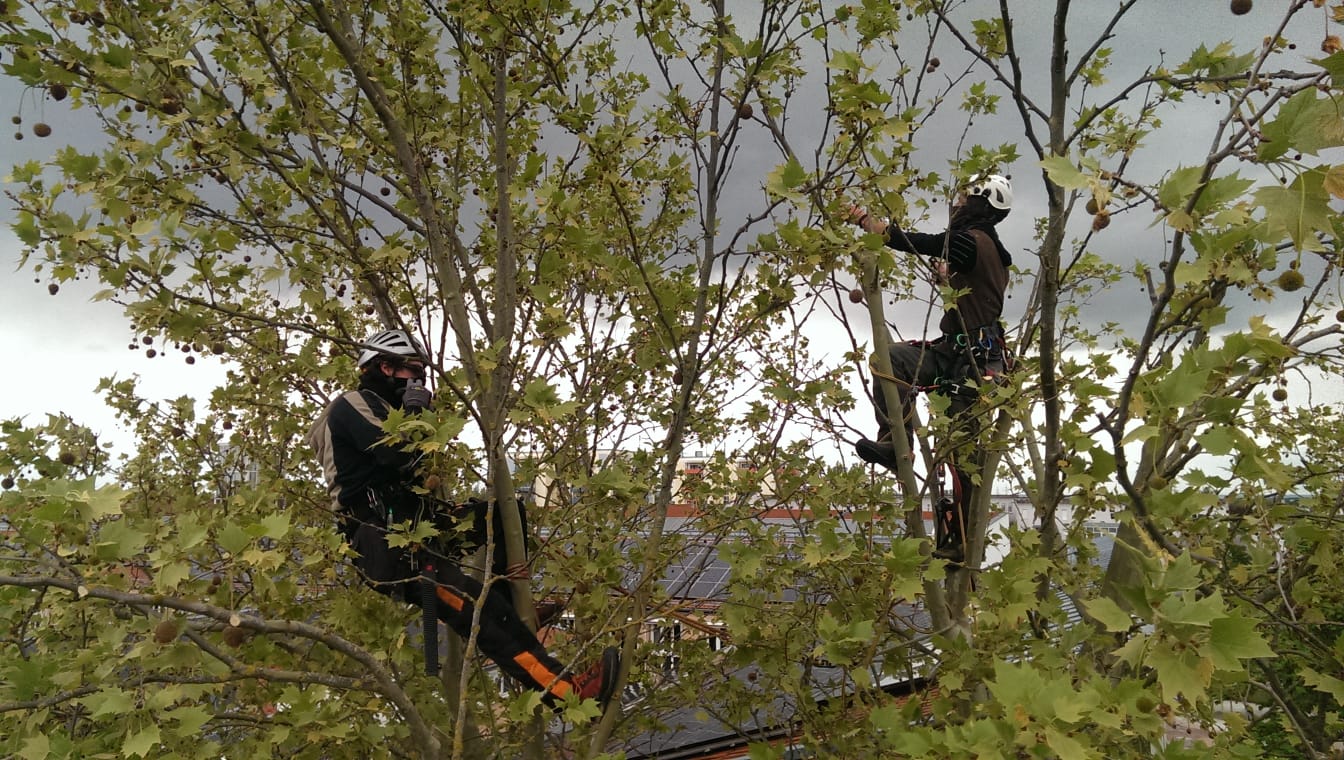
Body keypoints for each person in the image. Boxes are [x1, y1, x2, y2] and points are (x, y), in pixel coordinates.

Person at [306, 328, 620, 711]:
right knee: (481, 612)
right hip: (386, 543)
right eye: (412, 372)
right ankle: (567, 693)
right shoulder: (350, 405)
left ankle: (512, 603)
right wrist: (418, 413)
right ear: (384, 367)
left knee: (504, 514)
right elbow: (398, 455)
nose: (419, 381)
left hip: (419, 526)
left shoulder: (386, 408)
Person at [847, 175, 1015, 562]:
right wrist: (948, 284)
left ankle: (961, 545)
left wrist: (874, 227)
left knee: (960, 455)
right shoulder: (983, 250)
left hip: (973, 366)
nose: (956, 204)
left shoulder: (973, 241)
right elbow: (975, 298)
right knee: (889, 359)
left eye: (962, 198)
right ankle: (893, 443)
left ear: (980, 203)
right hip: (951, 354)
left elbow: (922, 244)